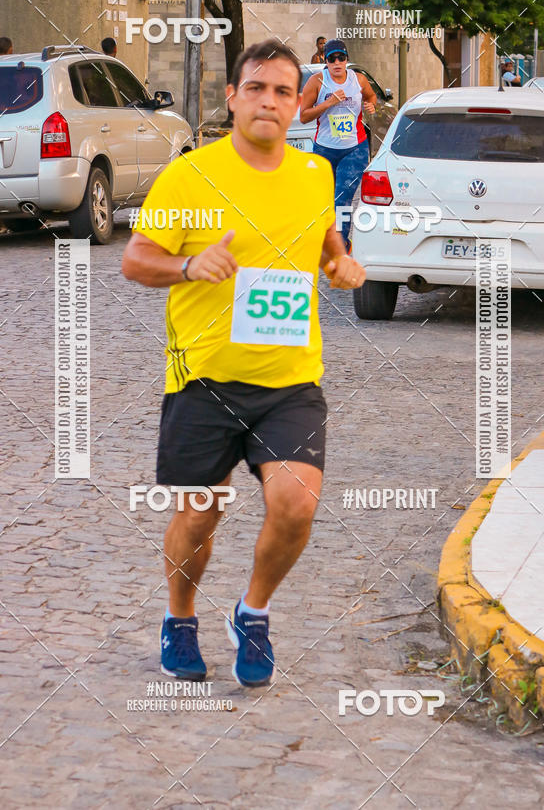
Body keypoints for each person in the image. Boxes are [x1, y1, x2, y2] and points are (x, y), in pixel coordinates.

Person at [121, 38, 366, 687]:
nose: (269, 101)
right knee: (201, 512)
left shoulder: (313, 175)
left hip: (289, 380)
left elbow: (324, 237)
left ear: (296, 102)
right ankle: (179, 618)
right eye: (256, 88)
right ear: (232, 97)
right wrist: (188, 265)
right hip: (203, 377)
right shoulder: (190, 175)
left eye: (283, 91)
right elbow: (135, 259)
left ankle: (252, 612)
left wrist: (340, 261)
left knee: (297, 503)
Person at [299, 38, 376, 250]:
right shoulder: (317, 82)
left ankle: (340, 246)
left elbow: (371, 97)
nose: (337, 63)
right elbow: (304, 116)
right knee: (324, 200)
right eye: (331, 59)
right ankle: (326, 239)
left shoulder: (358, 80)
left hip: (354, 149)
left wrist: (371, 105)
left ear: (346, 59)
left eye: (341, 58)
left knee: (342, 199)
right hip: (324, 149)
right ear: (325, 60)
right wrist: (329, 103)